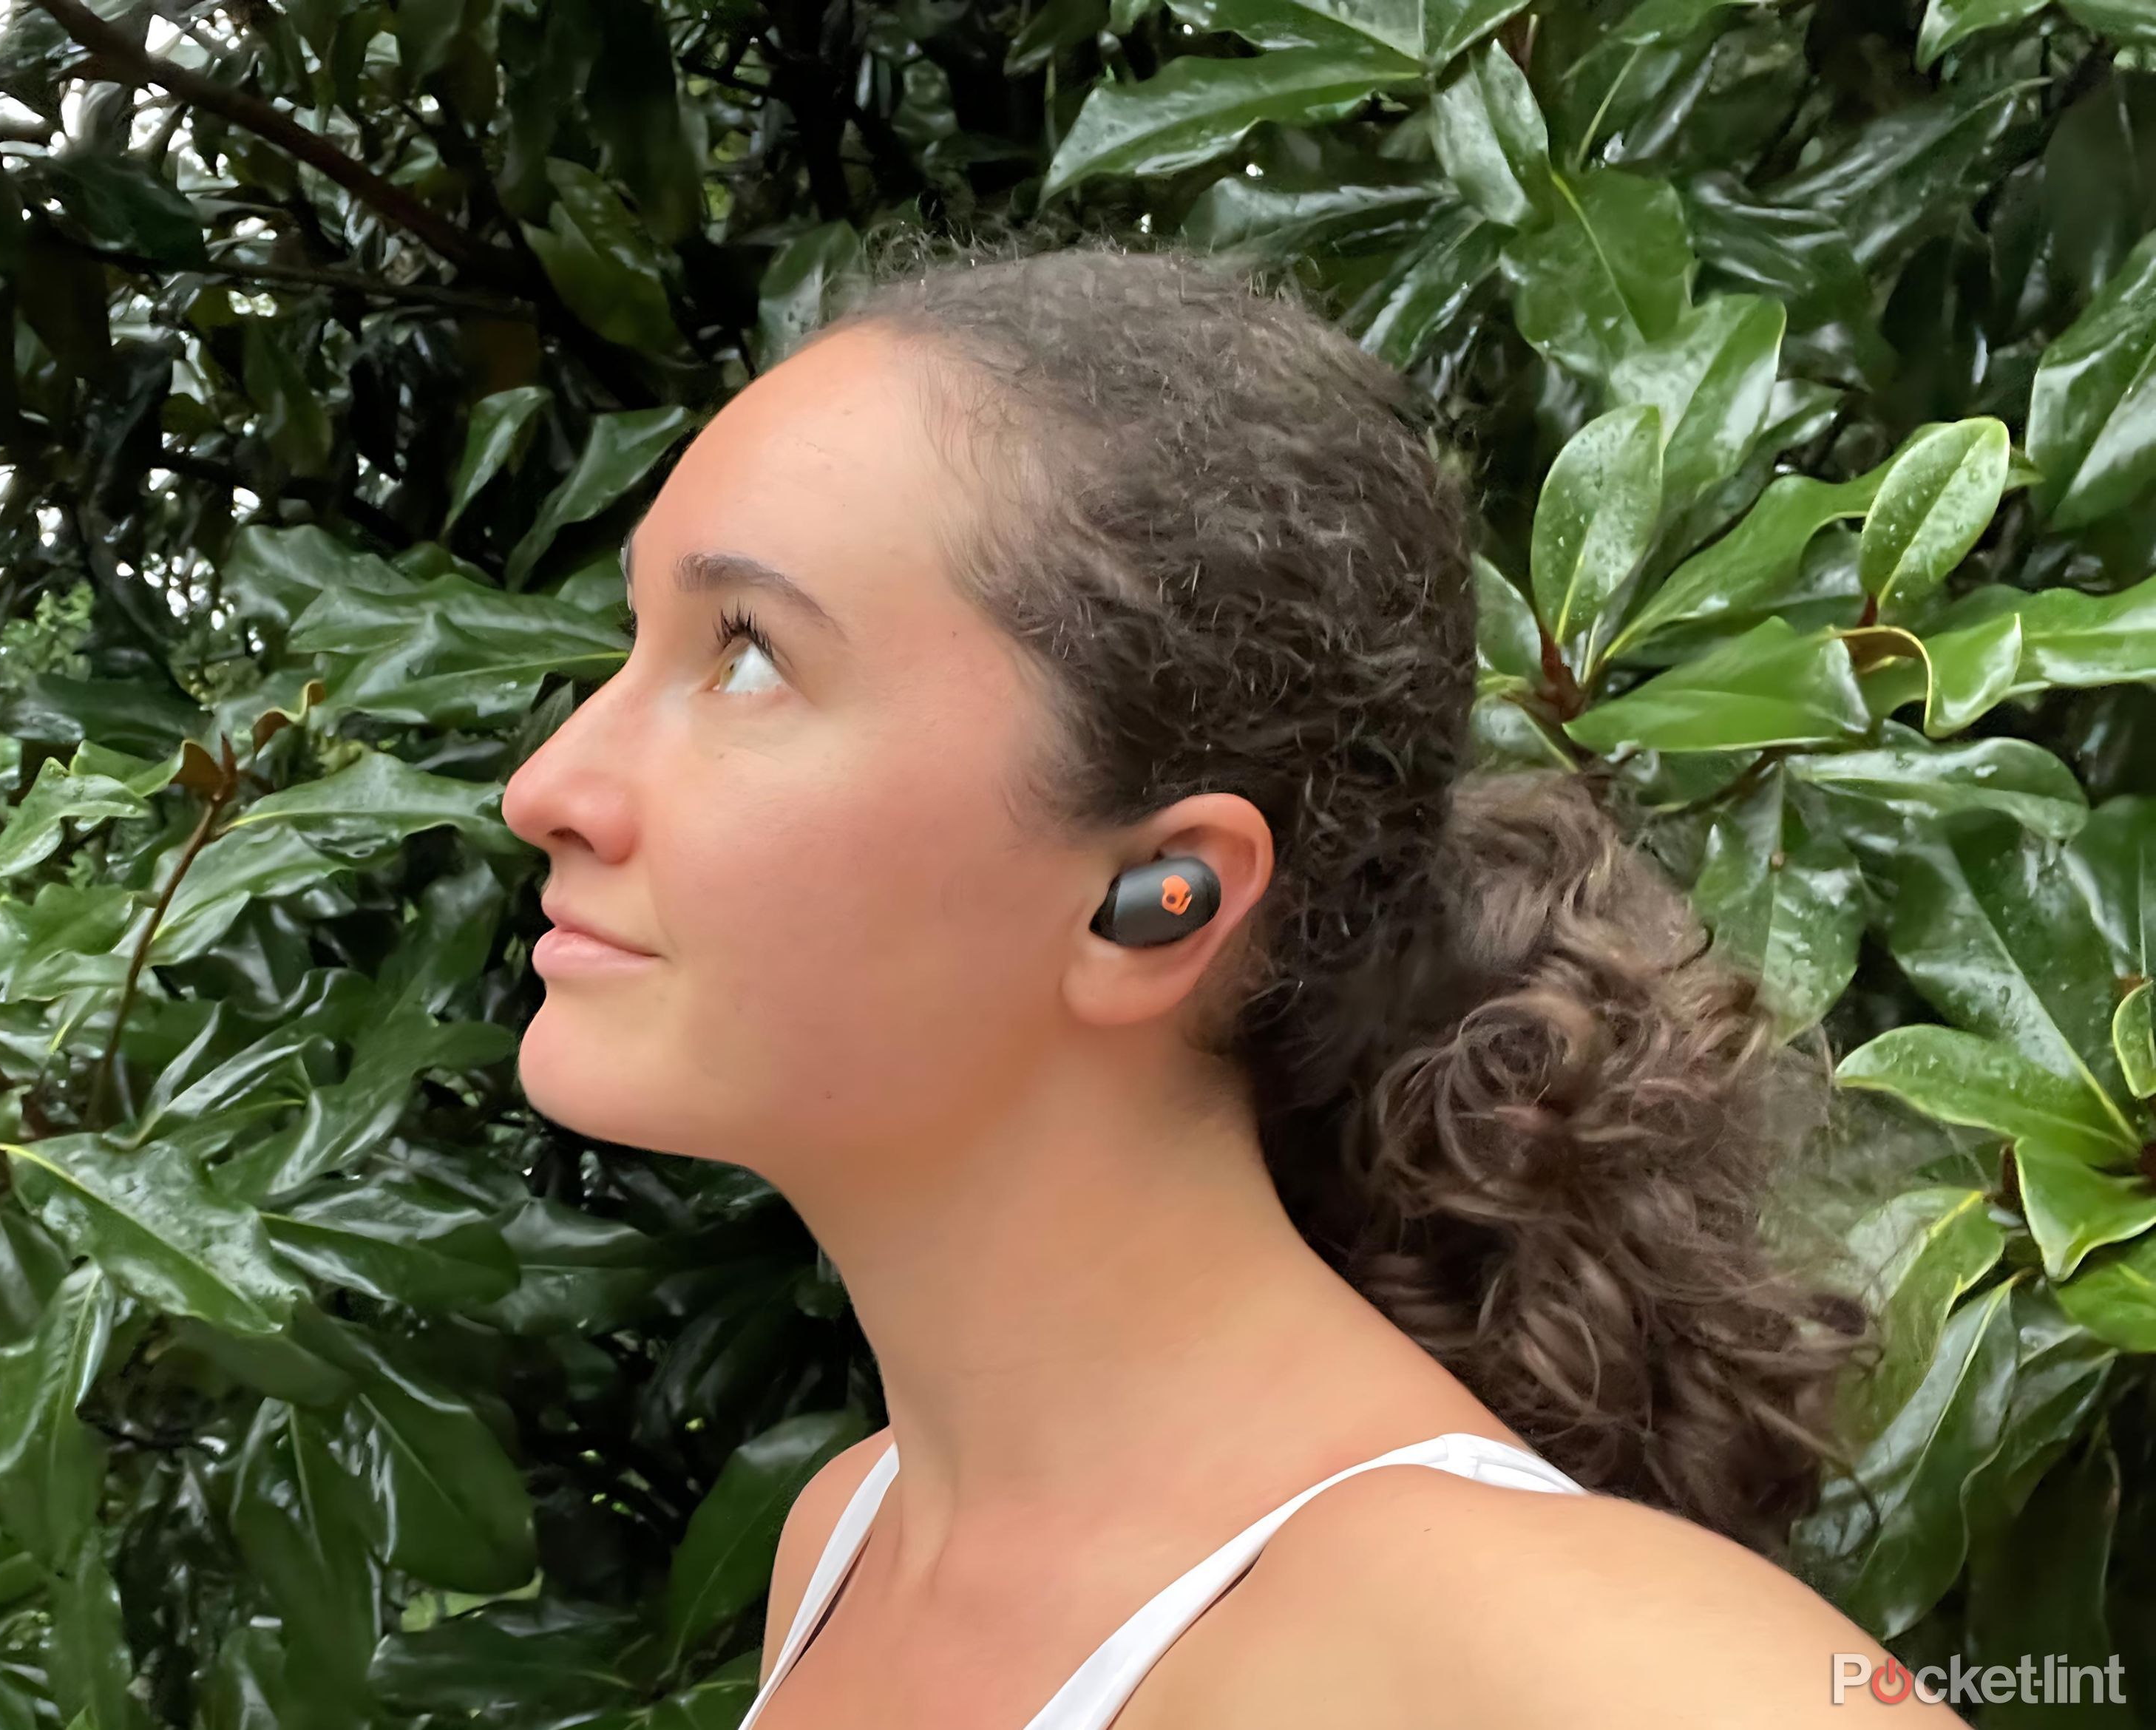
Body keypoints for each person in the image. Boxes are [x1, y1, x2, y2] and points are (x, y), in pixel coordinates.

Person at [494, 239, 1958, 1728]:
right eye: (639, 643)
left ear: (1154, 905)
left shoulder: (1576, 1671)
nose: (545, 786)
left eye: (746, 656)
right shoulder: (850, 1541)